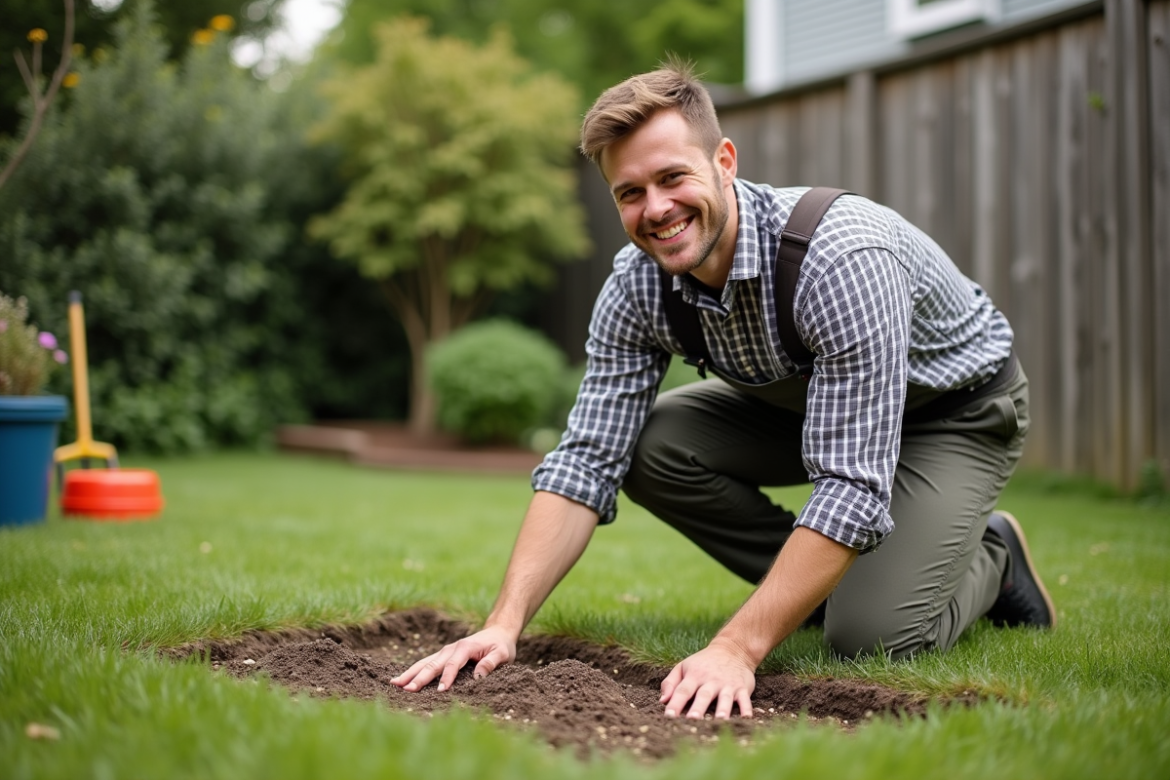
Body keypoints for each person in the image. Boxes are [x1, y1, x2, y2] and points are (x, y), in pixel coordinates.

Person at [392, 60, 1055, 719]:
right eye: (630, 192)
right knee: (646, 446)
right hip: (802, 402)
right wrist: (504, 625)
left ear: (725, 161)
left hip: (951, 412)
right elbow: (587, 459)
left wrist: (737, 646)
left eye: (673, 177)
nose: (656, 209)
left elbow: (852, 483)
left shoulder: (841, 260)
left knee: (870, 637)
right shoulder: (635, 286)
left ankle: (994, 555)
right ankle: (830, 585)